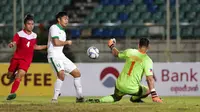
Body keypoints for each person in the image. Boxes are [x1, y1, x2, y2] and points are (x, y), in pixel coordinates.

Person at [86, 38, 162, 103]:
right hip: (133, 89)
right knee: (148, 90)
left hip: (120, 84)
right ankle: (134, 99)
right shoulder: (147, 60)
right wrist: (154, 95)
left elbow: (116, 54)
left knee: (116, 97)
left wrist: (112, 46)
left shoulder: (130, 52)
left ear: (138, 45)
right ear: (148, 47)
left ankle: (98, 101)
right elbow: (149, 79)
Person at [6, 14, 47, 100]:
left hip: (26, 60)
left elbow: (34, 46)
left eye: (32, 24)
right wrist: (12, 44)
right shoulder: (19, 34)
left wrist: (46, 46)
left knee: (20, 76)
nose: (31, 26)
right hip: (16, 58)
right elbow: (14, 42)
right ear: (25, 24)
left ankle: (11, 93)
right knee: (9, 76)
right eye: (29, 24)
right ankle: (14, 73)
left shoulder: (34, 35)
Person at [47, 12, 84, 103]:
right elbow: (56, 43)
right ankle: (54, 99)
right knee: (61, 75)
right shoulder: (54, 27)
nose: (67, 20)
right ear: (59, 20)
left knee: (77, 73)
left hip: (61, 55)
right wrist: (67, 42)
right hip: (54, 55)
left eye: (67, 19)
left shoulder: (63, 32)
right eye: (65, 18)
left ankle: (79, 97)